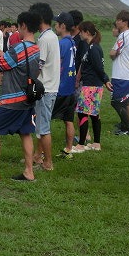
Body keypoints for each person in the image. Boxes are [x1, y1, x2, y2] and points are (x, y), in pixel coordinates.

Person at [0, 11, 42, 184]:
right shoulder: (36, 48)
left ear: (23, 25)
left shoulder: (19, 48)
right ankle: (28, 172)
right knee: (25, 133)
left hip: (12, 100)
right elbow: (13, 63)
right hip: (28, 98)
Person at [29, 2, 60, 172]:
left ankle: (48, 163)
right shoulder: (51, 36)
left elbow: (37, 66)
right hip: (50, 87)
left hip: (45, 89)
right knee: (41, 125)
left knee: (43, 128)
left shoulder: (44, 39)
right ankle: (37, 156)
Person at [71, 22, 112, 153]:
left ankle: (81, 144)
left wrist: (106, 80)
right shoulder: (92, 47)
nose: (80, 34)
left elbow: (99, 68)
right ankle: (96, 143)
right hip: (93, 85)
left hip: (91, 86)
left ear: (87, 32)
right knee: (94, 115)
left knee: (83, 113)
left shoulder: (93, 48)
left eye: (81, 31)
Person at [52, 12, 78, 158]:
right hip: (70, 88)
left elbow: (57, 64)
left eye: (56, 24)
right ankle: (68, 150)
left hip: (60, 88)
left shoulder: (61, 43)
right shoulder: (72, 42)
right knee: (68, 120)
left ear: (62, 26)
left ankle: (41, 154)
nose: (55, 26)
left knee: (44, 121)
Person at [109, 10, 129, 135]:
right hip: (123, 74)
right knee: (120, 102)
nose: (116, 22)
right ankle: (125, 125)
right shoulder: (127, 35)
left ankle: (128, 128)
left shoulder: (124, 35)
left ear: (124, 22)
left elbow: (112, 53)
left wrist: (113, 54)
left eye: (119, 20)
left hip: (122, 74)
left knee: (116, 102)